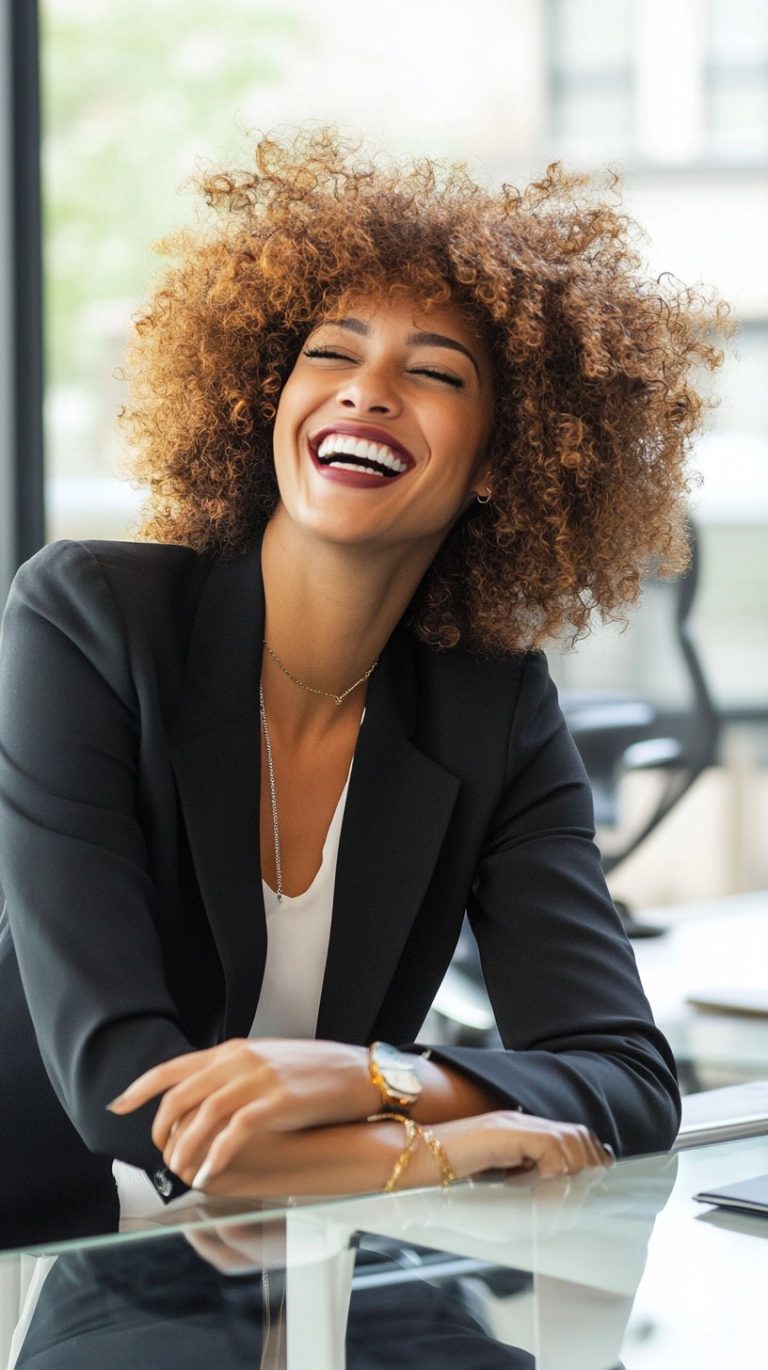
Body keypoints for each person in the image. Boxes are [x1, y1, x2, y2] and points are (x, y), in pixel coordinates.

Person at [0, 130, 726, 1244]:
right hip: (53, 1254)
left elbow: (628, 1078)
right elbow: (126, 1086)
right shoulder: (90, 619)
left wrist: (374, 1076)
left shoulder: (495, 708)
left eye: (435, 371)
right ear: (269, 396)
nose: (370, 392)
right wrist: (437, 1146)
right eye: (331, 355)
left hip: (297, 1265)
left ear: (502, 461)